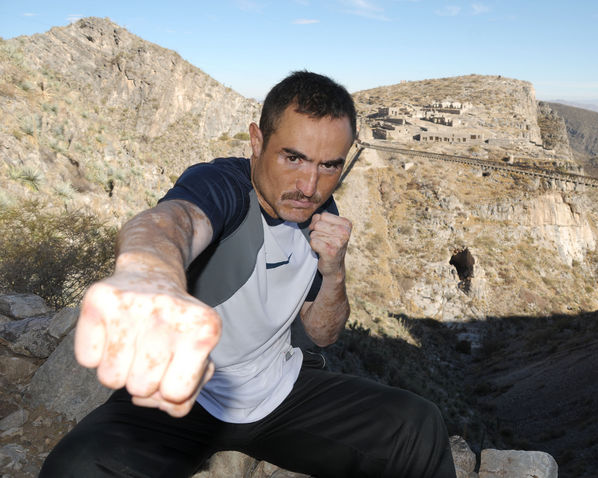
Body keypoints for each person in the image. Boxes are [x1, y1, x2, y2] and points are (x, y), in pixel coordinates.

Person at [40, 71, 456, 477]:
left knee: (417, 424)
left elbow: (323, 334)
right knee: (77, 468)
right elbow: (171, 222)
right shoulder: (222, 185)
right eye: (293, 158)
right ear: (257, 141)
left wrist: (334, 273)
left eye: (329, 166)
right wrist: (151, 278)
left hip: (280, 392)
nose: (309, 185)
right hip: (185, 394)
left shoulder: (321, 214)